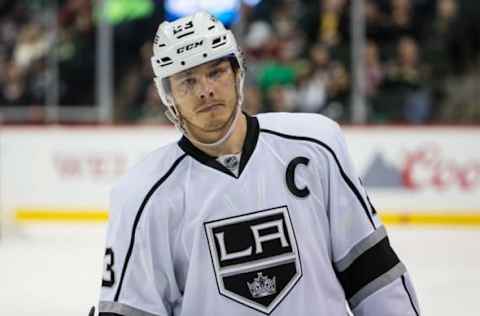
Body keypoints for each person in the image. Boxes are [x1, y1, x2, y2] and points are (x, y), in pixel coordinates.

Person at [95, 11, 421, 316]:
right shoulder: (141, 195)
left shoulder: (316, 145)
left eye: (215, 72)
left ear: (238, 72)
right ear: (168, 96)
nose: (206, 90)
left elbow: (373, 271)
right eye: (188, 81)